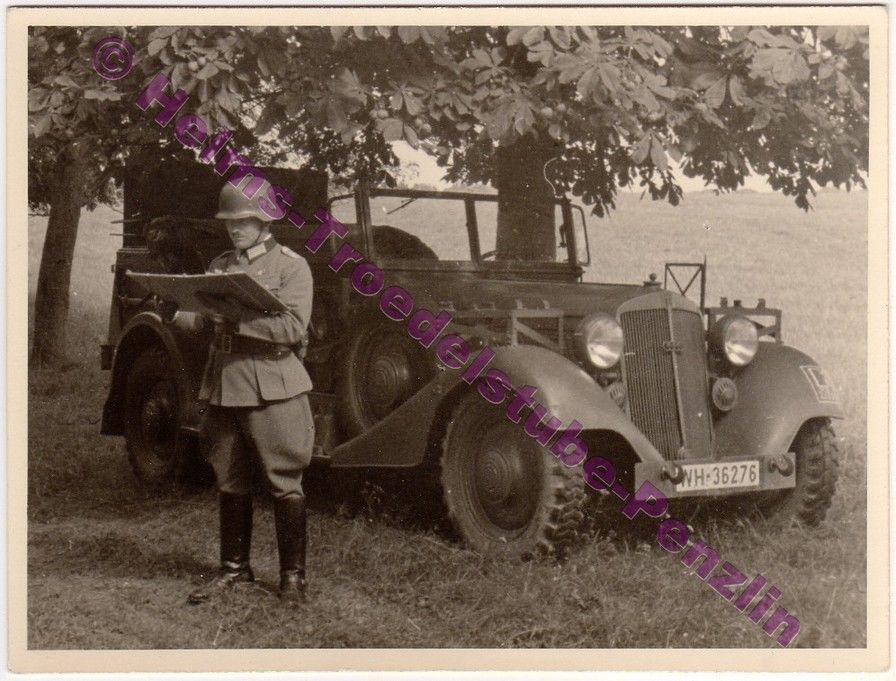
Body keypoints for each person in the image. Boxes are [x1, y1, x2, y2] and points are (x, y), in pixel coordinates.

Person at [169, 179, 315, 605]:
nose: (234, 229)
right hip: (225, 380)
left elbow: (291, 328)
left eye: (243, 221)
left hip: (272, 382)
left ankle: (293, 579)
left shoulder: (291, 267)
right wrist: (182, 311)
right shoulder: (218, 265)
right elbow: (201, 323)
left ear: (264, 219)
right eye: (229, 221)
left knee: (283, 479)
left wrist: (233, 319)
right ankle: (235, 570)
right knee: (230, 476)